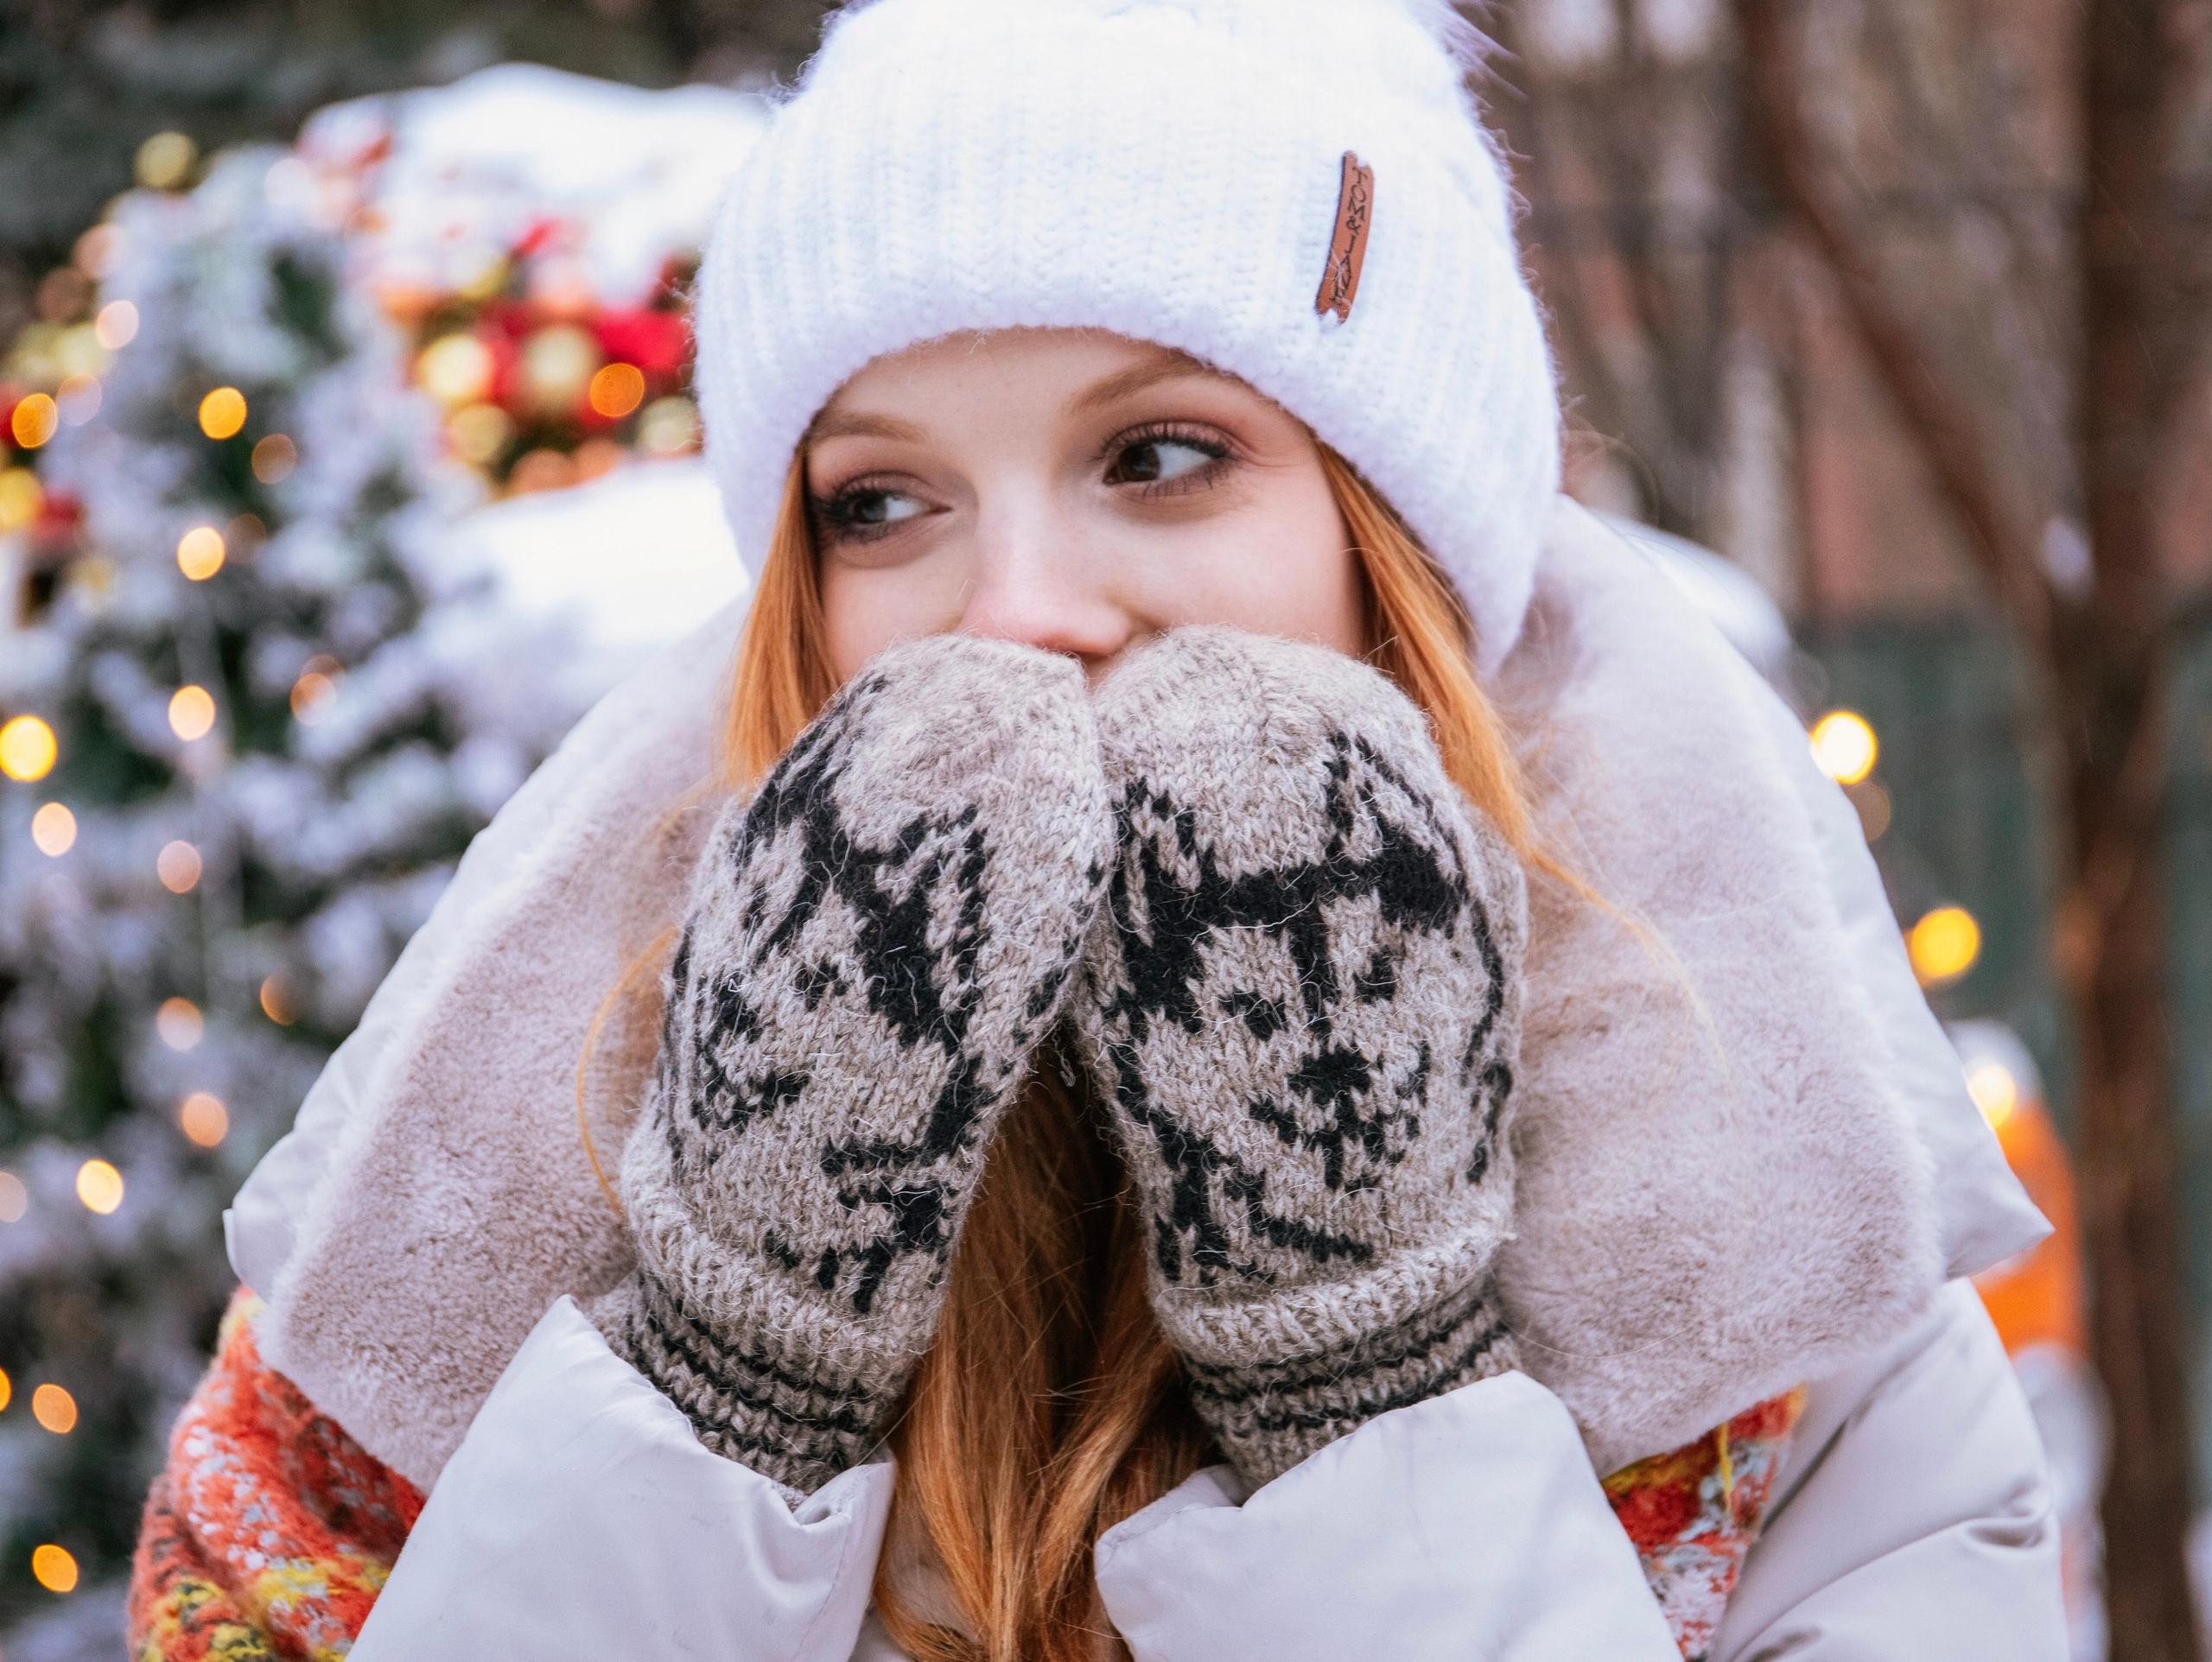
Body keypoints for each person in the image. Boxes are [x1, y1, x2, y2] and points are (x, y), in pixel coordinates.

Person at [127, 2, 2068, 1658]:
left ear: (1383, 531)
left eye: (1155, 455)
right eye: (879, 504)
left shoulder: (1760, 1233)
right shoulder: (499, 1153)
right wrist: (725, 1367)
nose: (1016, 607)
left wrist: (1359, 1390)